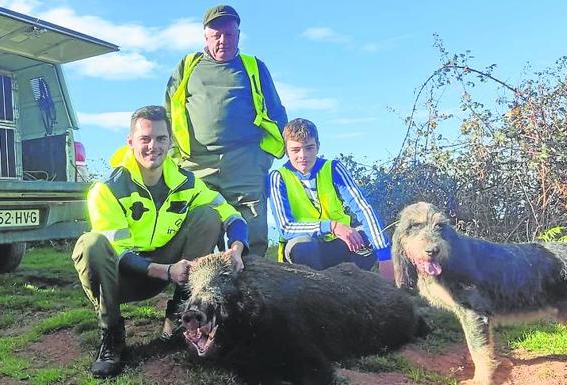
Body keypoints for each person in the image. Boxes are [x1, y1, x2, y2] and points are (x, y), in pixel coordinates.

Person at [71, 106, 248, 378]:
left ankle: (179, 316)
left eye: (161, 138)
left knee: (208, 215)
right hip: (120, 278)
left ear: (170, 141)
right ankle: (112, 335)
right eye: (145, 139)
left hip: (169, 269)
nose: (153, 146)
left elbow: (228, 213)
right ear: (131, 142)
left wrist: (236, 248)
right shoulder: (106, 189)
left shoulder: (186, 182)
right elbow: (118, 251)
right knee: (91, 243)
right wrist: (166, 270)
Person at [165, 5, 287, 257]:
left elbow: (277, 114)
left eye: (229, 34)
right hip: (196, 163)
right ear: (205, 37)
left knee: (250, 233)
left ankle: (252, 290)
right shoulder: (187, 66)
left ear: (238, 35)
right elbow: (168, 112)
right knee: (199, 224)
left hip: (245, 163)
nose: (223, 41)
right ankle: (194, 292)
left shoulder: (254, 67)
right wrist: (175, 158)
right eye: (217, 35)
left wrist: (263, 160)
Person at [268, 118, 394, 280]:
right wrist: (332, 226)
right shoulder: (278, 177)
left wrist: (385, 256)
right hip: (306, 248)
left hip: (339, 242)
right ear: (286, 151)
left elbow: (363, 208)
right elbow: (286, 227)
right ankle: (317, 295)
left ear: (318, 147)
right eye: (296, 150)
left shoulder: (333, 168)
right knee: (303, 247)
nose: (303, 155)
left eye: (309, 148)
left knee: (367, 237)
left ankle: (356, 287)